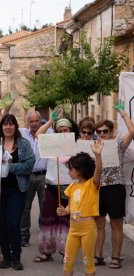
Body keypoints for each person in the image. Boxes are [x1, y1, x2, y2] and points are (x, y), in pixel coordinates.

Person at [0, 114, 35, 270]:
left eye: (11, 124)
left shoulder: (24, 144)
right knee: (2, 224)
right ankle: (6, 256)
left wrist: (10, 167)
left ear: (15, 126)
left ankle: (16, 256)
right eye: (5, 124)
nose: (8, 127)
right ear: (1, 127)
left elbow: (30, 164)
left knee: (13, 223)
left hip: (17, 189)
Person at [34, 113, 80, 263]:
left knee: (67, 220)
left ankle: (66, 250)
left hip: (71, 186)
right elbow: (38, 135)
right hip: (52, 185)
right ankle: (46, 251)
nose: (62, 133)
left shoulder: (77, 143)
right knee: (48, 219)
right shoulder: (50, 143)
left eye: (65, 130)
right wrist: (50, 121)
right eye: (59, 130)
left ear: (71, 130)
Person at [94, 101, 134, 269]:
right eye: (99, 131)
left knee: (117, 224)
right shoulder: (93, 145)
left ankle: (116, 257)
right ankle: (98, 256)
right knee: (99, 224)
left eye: (105, 131)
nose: (102, 134)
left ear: (111, 132)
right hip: (98, 188)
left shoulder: (119, 144)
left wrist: (123, 112)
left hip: (115, 187)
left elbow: (132, 131)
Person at [57, 140, 104, 276]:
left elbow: (99, 171)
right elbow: (70, 206)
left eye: (71, 169)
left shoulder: (91, 184)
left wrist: (98, 155)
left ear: (81, 171)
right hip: (73, 229)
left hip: (88, 228)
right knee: (67, 261)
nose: (69, 171)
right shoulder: (72, 186)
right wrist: (63, 211)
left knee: (88, 261)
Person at [19, 111, 52, 248]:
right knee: (25, 207)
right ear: (27, 122)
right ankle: (24, 236)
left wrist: (51, 121)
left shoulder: (49, 132)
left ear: (41, 121)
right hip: (27, 175)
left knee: (45, 207)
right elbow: (5, 124)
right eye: (31, 121)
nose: (33, 124)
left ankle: (44, 235)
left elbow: (41, 134)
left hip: (44, 175)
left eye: (36, 121)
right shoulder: (22, 133)